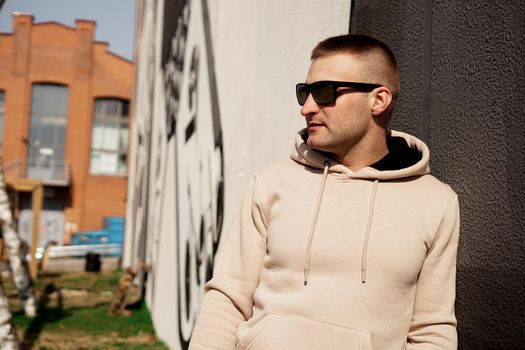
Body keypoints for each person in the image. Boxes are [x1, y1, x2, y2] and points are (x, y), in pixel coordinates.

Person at [190, 34, 460, 350]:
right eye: (304, 93)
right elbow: (227, 297)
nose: (306, 107)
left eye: (324, 93)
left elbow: (432, 333)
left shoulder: (434, 202)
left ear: (379, 99)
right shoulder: (272, 182)